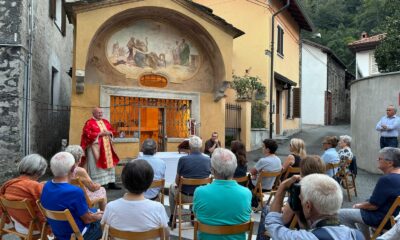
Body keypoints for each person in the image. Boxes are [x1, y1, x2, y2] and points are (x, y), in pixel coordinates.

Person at [265, 174, 364, 240]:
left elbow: (272, 223)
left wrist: (282, 187)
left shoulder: (304, 238)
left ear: (308, 206)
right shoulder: (357, 235)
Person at [256, 155, 327, 240]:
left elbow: (284, 219)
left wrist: (283, 187)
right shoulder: (329, 189)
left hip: (299, 229)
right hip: (320, 229)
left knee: (266, 209)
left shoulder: (300, 189)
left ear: (302, 170)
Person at [339, 147, 400, 240]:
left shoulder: (387, 179)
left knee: (341, 214)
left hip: (382, 218)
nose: (377, 160)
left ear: (390, 163)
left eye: (380, 159)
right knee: (361, 211)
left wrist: (359, 205)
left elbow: (373, 205)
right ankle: (366, 238)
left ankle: (358, 238)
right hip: (395, 218)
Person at [41, 152, 103, 240]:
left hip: (58, 232)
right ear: (73, 168)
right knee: (106, 221)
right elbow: (87, 220)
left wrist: (92, 215)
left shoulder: (46, 186)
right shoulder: (75, 191)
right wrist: (98, 216)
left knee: (94, 211)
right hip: (77, 235)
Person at [193, 148, 252, 239]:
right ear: (235, 167)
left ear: (212, 169)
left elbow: (197, 215)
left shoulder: (200, 192)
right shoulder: (246, 193)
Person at [101, 160, 169, 238]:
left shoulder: (111, 207)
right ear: (149, 183)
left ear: (123, 181)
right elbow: (165, 235)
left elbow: (104, 230)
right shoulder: (158, 208)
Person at [0, 154, 47, 235]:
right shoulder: (36, 187)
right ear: (40, 171)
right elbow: (48, 208)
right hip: (36, 228)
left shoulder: (9, 185)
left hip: (18, 226)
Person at [169, 135, 211, 225]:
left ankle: (173, 216)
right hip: (201, 196)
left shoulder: (183, 159)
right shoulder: (208, 160)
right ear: (201, 147)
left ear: (190, 147)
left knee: (172, 187)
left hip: (185, 196)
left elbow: (177, 181)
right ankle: (193, 214)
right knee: (197, 187)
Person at [80, 107, 120, 189]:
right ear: (93, 113)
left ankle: (111, 183)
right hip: (96, 148)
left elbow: (112, 131)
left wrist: (110, 133)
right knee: (97, 165)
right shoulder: (89, 123)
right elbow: (87, 134)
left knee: (110, 165)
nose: (101, 114)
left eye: (101, 112)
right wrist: (99, 134)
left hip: (108, 147)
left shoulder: (105, 121)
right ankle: (99, 184)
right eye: (99, 113)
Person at [65, 145, 107, 211]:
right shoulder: (80, 170)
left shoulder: (63, 168)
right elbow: (93, 188)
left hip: (69, 194)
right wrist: (99, 185)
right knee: (102, 189)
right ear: (79, 158)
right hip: (82, 196)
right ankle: (103, 215)